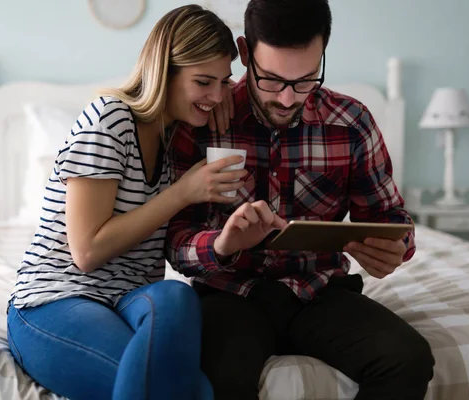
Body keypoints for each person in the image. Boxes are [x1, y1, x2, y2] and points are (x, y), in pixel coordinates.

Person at [166, 1, 435, 399]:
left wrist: (397, 245)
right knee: (214, 376)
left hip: (319, 293)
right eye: (271, 80)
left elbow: (388, 215)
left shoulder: (352, 123)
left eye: (306, 79)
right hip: (229, 294)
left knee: (408, 359)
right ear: (244, 53)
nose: (289, 99)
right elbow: (174, 242)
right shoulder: (202, 118)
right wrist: (221, 245)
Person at [6, 5, 243, 400]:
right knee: (193, 392)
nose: (216, 95)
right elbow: (86, 251)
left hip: (127, 298)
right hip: (58, 298)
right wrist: (182, 192)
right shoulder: (109, 119)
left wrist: (227, 101)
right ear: (163, 71)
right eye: (204, 82)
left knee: (178, 294)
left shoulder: (177, 138)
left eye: (224, 82)